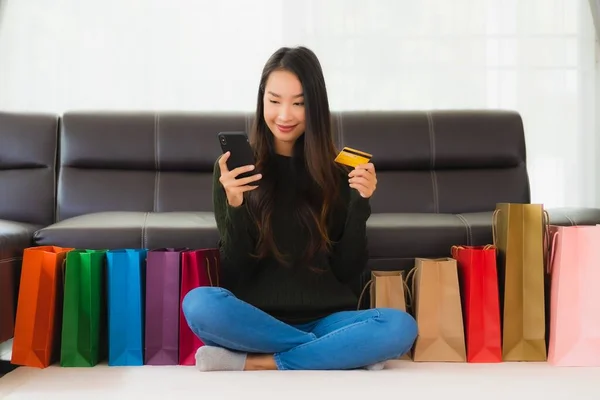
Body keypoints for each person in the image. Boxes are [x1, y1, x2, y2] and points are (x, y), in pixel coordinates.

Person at [182, 46, 418, 372]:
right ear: (261, 100)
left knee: (400, 326)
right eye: (274, 100)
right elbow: (236, 271)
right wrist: (235, 205)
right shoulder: (234, 170)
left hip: (328, 319)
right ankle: (336, 353)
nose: (284, 115)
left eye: (299, 103)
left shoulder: (338, 172)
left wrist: (360, 203)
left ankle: (261, 362)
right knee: (199, 304)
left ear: (315, 106)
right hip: (257, 319)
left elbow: (348, 270)